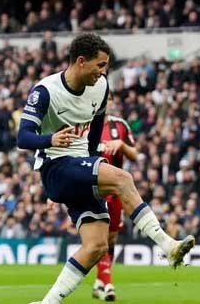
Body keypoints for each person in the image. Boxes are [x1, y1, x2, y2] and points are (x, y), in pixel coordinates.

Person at [17, 33, 194, 303]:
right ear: (80, 61)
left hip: (78, 168)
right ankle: (167, 245)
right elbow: (23, 137)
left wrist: (91, 163)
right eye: (100, 65)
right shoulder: (45, 91)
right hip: (56, 165)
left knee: (96, 246)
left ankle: (46, 303)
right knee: (122, 178)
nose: (104, 72)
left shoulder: (101, 88)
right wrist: (50, 139)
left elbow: (95, 130)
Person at [92, 94, 139, 301]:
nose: (106, 102)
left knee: (111, 238)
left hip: (116, 190)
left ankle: (99, 281)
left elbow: (135, 155)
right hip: (93, 189)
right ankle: (108, 284)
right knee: (100, 238)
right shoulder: (86, 125)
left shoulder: (120, 126)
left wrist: (121, 144)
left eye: (109, 99)